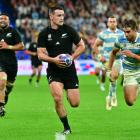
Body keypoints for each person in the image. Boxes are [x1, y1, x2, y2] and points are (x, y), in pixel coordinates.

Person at [37, 6, 85, 134]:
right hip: (54, 71)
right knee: (58, 98)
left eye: (63, 15)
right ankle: (66, 127)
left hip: (69, 71)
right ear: (51, 16)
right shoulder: (43, 34)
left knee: (75, 103)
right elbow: (40, 55)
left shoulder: (69, 30)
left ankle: (69, 94)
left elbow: (82, 46)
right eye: (58, 15)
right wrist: (54, 60)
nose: (62, 18)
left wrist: (72, 57)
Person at [93, 16, 124, 110]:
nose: (112, 23)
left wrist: (123, 51)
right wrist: (99, 56)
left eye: (114, 21)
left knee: (114, 78)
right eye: (110, 21)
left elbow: (125, 45)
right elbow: (95, 46)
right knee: (112, 77)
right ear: (107, 23)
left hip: (118, 59)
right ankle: (112, 96)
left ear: (116, 23)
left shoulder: (121, 33)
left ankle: (110, 96)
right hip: (107, 60)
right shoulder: (103, 33)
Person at [108, 19, 140, 106]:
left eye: (128, 32)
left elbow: (133, 55)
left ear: (135, 30)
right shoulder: (120, 39)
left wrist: (133, 55)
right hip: (129, 72)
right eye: (124, 32)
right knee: (129, 102)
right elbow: (113, 52)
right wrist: (109, 69)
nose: (126, 34)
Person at [0, 13, 24, 116]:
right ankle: (1, 107)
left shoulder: (13, 31)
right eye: (0, 18)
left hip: (11, 63)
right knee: (2, 80)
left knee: (8, 87)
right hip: (0, 62)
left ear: (8, 21)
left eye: (5, 18)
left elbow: (21, 46)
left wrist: (8, 47)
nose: (2, 20)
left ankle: (3, 100)